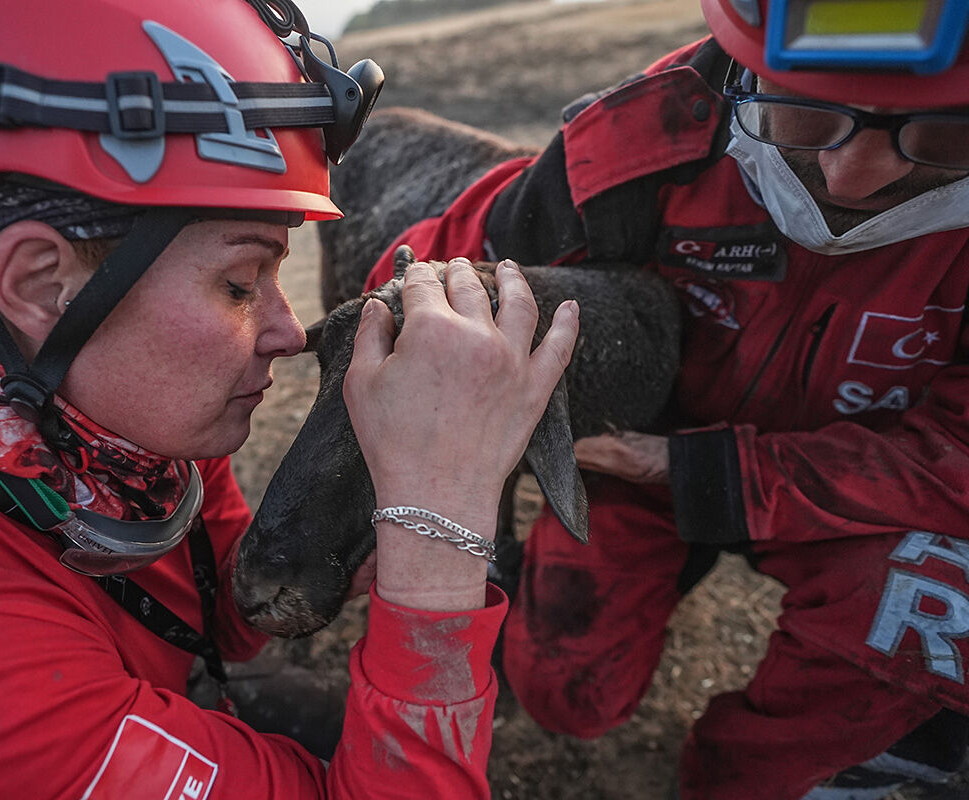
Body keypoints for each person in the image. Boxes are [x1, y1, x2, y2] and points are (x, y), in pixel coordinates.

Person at [0, 0, 582, 797]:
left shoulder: (106, 431)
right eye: (238, 283)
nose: (286, 331)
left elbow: (218, 614)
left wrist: (373, 529)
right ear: (43, 285)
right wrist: (439, 539)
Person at [359, 0, 969, 797]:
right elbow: (438, 273)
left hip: (863, 491)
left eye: (939, 136)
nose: (850, 177)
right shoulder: (644, 140)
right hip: (637, 464)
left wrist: (711, 473)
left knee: (937, 612)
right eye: (802, 118)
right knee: (564, 694)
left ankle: (759, 777)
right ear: (747, 71)